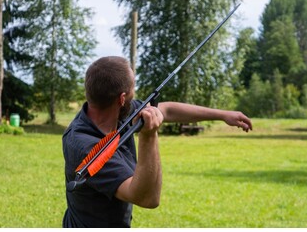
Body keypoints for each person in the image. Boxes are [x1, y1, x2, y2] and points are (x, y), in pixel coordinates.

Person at [62, 56, 252, 228]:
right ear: (121, 98)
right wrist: (149, 135)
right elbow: (147, 198)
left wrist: (223, 115)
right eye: (132, 90)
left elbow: (167, 110)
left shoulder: (117, 113)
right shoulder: (85, 147)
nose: (134, 96)